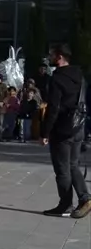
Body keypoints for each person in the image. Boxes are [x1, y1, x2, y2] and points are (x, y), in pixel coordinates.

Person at [39, 44, 91, 218]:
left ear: (59, 57)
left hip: (62, 129)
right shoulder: (79, 75)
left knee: (62, 169)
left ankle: (66, 204)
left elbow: (53, 108)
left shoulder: (57, 78)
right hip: (78, 126)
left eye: (52, 54)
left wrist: (45, 133)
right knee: (73, 165)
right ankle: (84, 199)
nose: (50, 57)